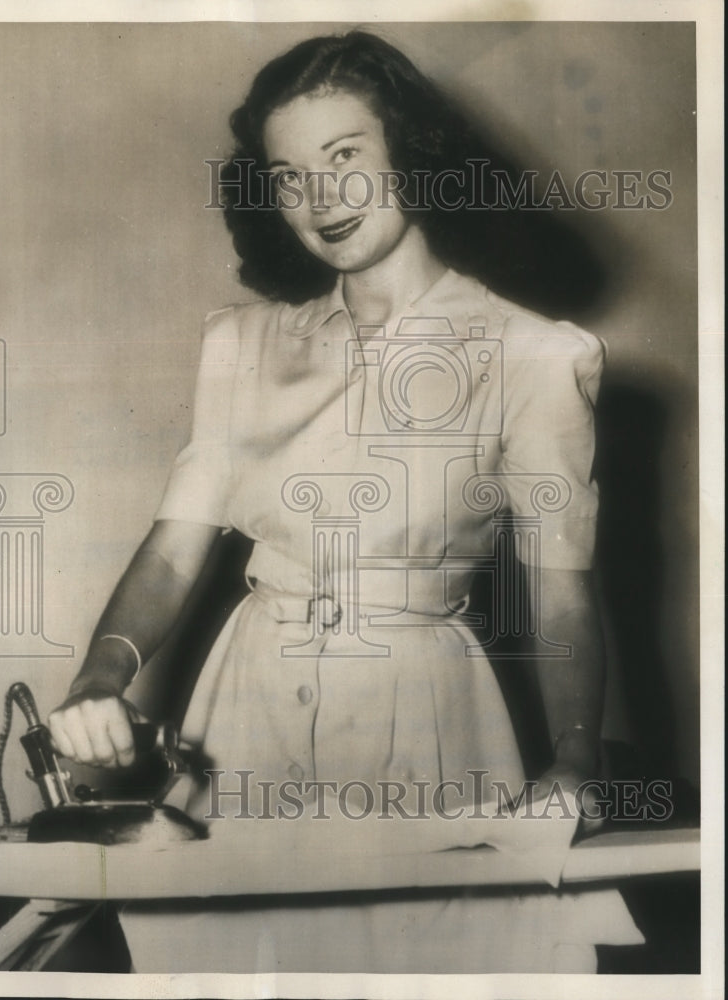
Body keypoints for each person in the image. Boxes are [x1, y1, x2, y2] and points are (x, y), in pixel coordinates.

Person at [48, 30, 642, 973]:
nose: (319, 200)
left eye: (345, 157)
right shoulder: (239, 346)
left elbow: (561, 595)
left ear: (412, 152)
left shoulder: (534, 354)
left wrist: (574, 759)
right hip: (243, 717)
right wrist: (99, 676)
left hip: (428, 714)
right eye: (289, 176)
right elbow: (172, 551)